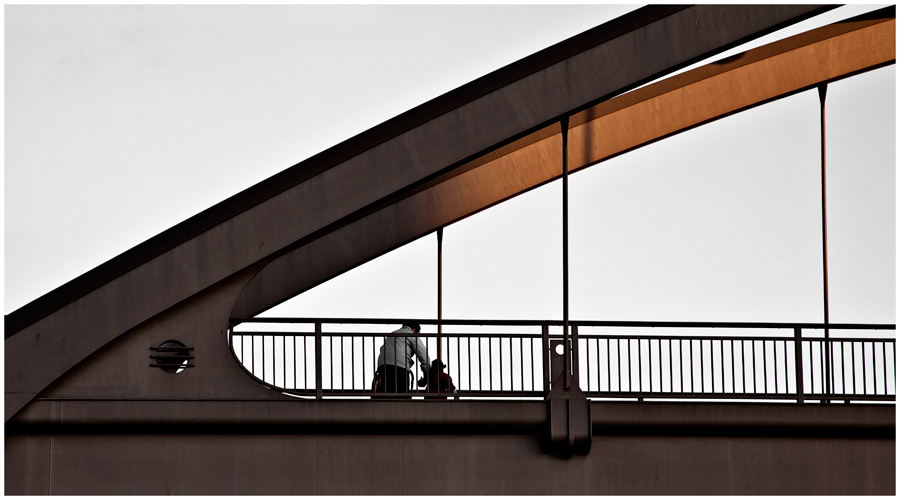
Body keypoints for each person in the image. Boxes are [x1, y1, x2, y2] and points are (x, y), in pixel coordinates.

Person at [373, 324, 430, 398]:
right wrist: (427, 374)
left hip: (382, 368)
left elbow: (382, 349)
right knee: (402, 398)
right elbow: (423, 355)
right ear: (414, 330)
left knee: (385, 397)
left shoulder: (392, 334)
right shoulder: (411, 335)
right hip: (400, 369)